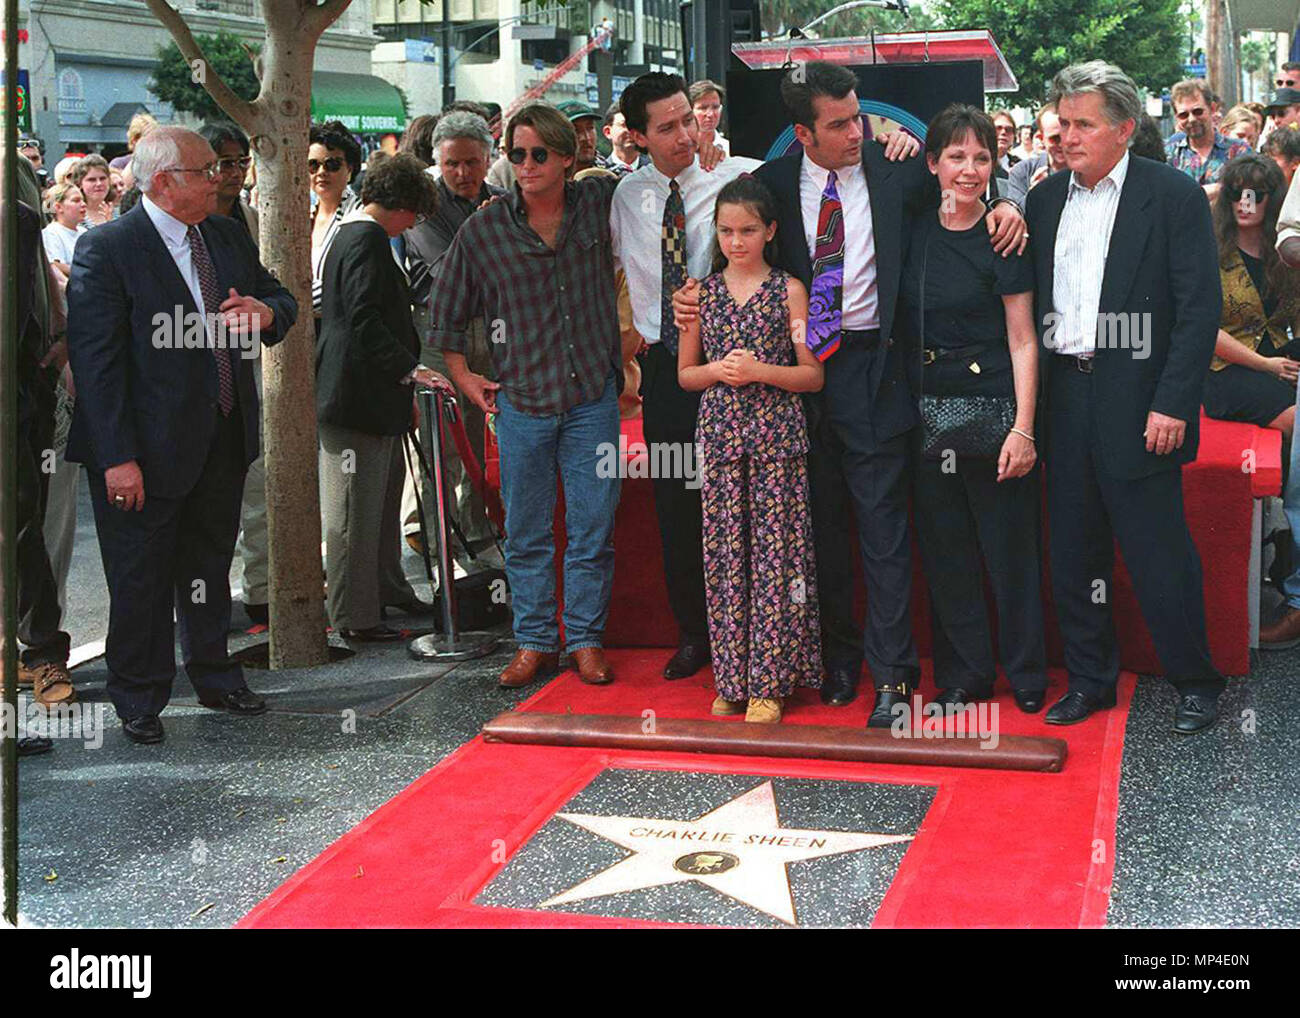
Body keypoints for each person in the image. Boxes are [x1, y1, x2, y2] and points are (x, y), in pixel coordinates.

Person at [677, 61, 1025, 727]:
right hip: (788, 381)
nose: (857, 131)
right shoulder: (769, 185)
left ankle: (893, 678)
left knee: (883, 529)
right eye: (838, 124)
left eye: (858, 115)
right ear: (801, 132)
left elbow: (968, 185)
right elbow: (728, 247)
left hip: (876, 368)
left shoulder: (894, 172)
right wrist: (690, 296)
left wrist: (1007, 201)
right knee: (819, 528)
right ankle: (837, 662)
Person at [66, 126, 297, 744]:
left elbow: (278, 295)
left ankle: (215, 675)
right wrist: (117, 458)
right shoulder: (108, 248)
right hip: (141, 449)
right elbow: (97, 364)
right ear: (165, 182)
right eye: (206, 169)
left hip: (221, 435)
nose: (221, 177)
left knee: (208, 565)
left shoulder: (222, 233)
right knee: (139, 576)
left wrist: (268, 312)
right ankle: (138, 696)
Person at [1026, 61, 1224, 734]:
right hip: (1065, 398)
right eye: (1063, 122)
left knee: (1157, 550)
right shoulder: (1046, 199)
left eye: (1083, 124)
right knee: (1074, 550)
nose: (1067, 135)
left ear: (1124, 129)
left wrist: (1172, 402)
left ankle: (1195, 681)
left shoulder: (1171, 196)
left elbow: (1199, 311)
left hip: (1142, 403)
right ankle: (1089, 681)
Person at [431, 103, 624, 689]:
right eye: (516, 154)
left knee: (593, 529)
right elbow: (444, 319)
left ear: (567, 157)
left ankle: (585, 640)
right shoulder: (485, 229)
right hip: (522, 405)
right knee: (527, 531)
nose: (527, 164)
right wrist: (466, 379)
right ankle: (535, 641)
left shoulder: (599, 206)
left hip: (592, 399)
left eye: (540, 153)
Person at [609, 72, 762, 683]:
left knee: (744, 500)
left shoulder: (735, 181)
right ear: (640, 137)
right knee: (679, 502)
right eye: (666, 127)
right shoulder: (624, 199)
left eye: (689, 120)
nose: (683, 135)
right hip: (668, 376)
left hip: (736, 369)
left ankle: (756, 631)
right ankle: (695, 633)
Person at [900, 105, 1045, 713]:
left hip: (993, 413)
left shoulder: (1003, 233)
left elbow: (1023, 337)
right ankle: (964, 676)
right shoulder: (910, 228)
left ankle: (1028, 675)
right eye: (956, 156)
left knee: (1009, 552)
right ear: (933, 163)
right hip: (925, 415)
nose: (969, 169)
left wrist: (1024, 429)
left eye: (982, 157)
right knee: (947, 553)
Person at [676, 175, 823, 723]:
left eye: (748, 230)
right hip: (718, 439)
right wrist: (718, 370)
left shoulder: (790, 291)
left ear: (771, 231)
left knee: (776, 558)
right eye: (726, 231)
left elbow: (813, 375)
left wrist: (762, 371)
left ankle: (771, 681)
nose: (736, 241)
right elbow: (686, 375)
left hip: (777, 439)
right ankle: (732, 677)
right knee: (726, 558)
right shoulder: (701, 293)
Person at [317, 154, 445, 641]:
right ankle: (354, 615)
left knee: (380, 504)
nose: (414, 224)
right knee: (353, 511)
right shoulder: (366, 238)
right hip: (356, 397)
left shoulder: (358, 235)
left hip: (373, 396)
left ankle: (386, 587)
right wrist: (410, 369)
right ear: (401, 204)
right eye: (414, 213)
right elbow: (364, 318)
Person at [402, 110, 506, 570]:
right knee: (442, 448)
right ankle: (440, 543)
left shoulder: (505, 200)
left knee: (485, 444)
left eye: (471, 162)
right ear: (437, 163)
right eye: (451, 165)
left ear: (488, 159)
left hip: (497, 334)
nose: (462, 174)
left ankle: (480, 534)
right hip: (439, 335)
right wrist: (484, 233)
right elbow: (447, 272)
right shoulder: (422, 206)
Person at [1202, 155, 1299, 442]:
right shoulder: (1209, 254)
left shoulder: (1286, 253)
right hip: (1228, 372)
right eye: (1236, 193)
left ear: (1273, 201)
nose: (1245, 202)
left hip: (1283, 362)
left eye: (1255, 195)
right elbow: (1206, 329)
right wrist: (1265, 364)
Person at [309, 120, 363, 318]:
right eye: (313, 165)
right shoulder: (303, 216)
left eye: (332, 164)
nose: (322, 172)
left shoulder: (359, 217)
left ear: (349, 169)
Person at [1165, 79, 1250, 201]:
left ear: (1212, 108)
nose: (1192, 119)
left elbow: (1251, 200)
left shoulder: (1239, 152)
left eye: (1198, 111)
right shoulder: (1169, 153)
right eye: (1184, 115)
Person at [200, 122, 259, 240]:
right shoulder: (188, 223)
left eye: (243, 162)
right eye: (227, 164)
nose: (237, 173)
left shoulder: (254, 220)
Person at [1007, 104, 1067, 207]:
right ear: (1041, 138)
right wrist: (1035, 194)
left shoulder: (1086, 171)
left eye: (1066, 137)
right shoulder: (1023, 171)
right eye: (1055, 138)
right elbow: (1015, 214)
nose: (1062, 144)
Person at [41, 182, 87, 278]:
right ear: (58, 207)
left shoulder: (84, 232)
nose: (83, 204)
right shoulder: (51, 233)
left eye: (83, 200)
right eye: (76, 200)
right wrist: (87, 273)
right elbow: (55, 265)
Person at [599, 100, 648, 176]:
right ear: (608, 132)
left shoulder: (655, 171)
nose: (632, 130)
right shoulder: (600, 174)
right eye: (624, 125)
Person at [70, 154, 114, 227]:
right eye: (92, 180)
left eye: (102, 178)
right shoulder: (74, 216)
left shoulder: (121, 213)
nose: (99, 183)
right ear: (80, 183)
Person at [690, 79, 730, 157]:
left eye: (715, 107)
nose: (710, 114)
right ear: (690, 110)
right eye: (703, 108)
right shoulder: (682, 150)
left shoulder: (729, 150)